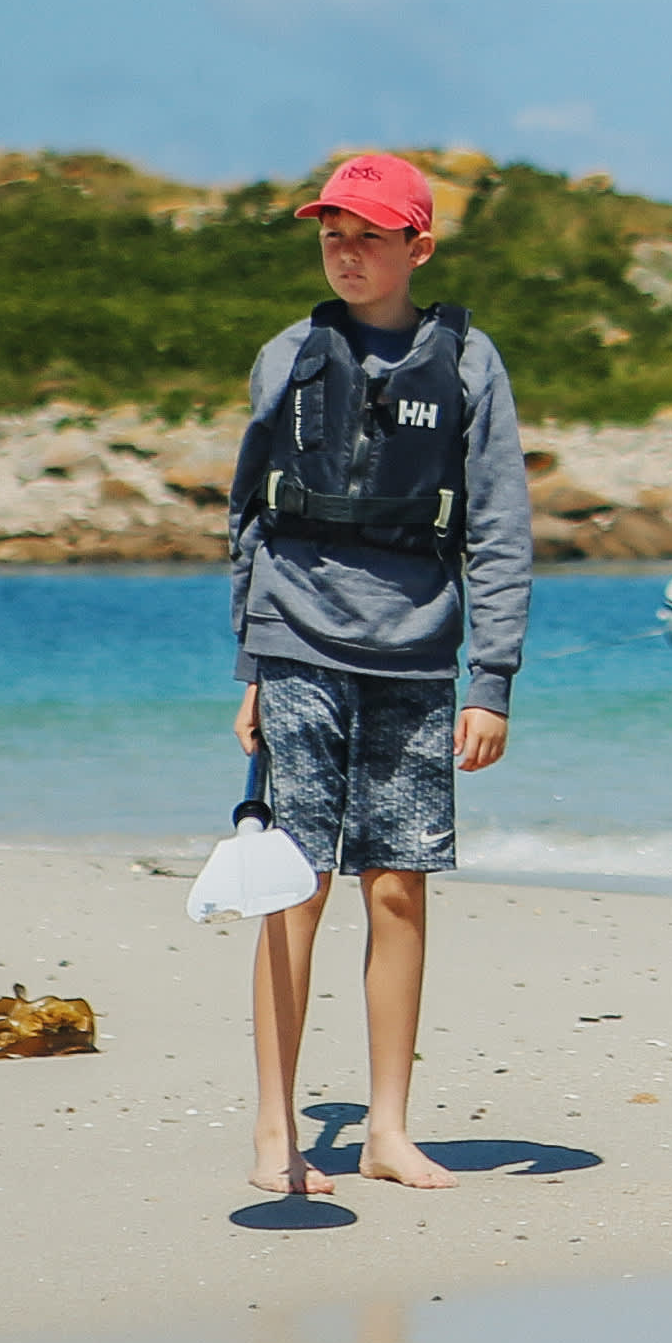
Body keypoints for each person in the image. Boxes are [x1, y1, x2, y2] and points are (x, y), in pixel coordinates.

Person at [224, 149, 531, 1199]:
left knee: (396, 888)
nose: (346, 252)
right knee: (292, 887)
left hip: (418, 658)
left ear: (418, 244)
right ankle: (278, 1129)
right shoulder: (289, 356)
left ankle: (388, 1131)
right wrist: (251, 665)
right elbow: (247, 516)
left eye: (367, 235)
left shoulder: (471, 366)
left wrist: (490, 682)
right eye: (332, 235)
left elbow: (498, 530)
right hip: (300, 648)